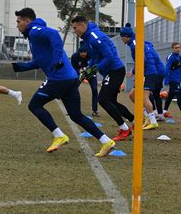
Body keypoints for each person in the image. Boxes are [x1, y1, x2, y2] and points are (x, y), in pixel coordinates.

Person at [13, 8, 115, 157]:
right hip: (70, 79)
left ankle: (59, 135)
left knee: (34, 105)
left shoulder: (34, 30)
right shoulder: (34, 38)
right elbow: (40, 61)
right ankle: (106, 141)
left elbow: (54, 34)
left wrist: (57, 60)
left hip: (59, 79)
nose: (17, 25)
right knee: (76, 115)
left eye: (18, 21)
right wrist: (21, 67)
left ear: (28, 21)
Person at [71, 15, 134, 141]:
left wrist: (95, 69)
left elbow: (109, 57)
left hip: (115, 71)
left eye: (75, 27)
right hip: (111, 71)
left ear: (82, 25)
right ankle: (134, 121)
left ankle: (125, 128)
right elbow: (95, 56)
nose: (74, 30)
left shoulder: (95, 37)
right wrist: (88, 69)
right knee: (112, 101)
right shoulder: (88, 38)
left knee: (103, 99)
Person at [120, 23, 159, 130]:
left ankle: (153, 121)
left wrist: (134, 71)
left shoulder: (134, 44)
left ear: (125, 36)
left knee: (143, 97)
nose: (121, 40)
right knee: (132, 95)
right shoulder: (135, 42)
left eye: (121, 37)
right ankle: (146, 116)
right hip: (146, 72)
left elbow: (142, 60)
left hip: (149, 73)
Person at [70, 45, 99, 116]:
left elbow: (96, 65)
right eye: (81, 52)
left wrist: (90, 70)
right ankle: (73, 109)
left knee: (95, 89)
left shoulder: (91, 55)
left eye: (85, 52)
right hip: (81, 74)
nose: (83, 54)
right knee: (74, 89)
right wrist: (79, 70)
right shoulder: (74, 57)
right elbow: (73, 67)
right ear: (78, 52)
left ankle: (94, 110)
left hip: (91, 73)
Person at [149, 43, 166, 121]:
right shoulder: (153, 51)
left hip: (155, 73)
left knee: (149, 93)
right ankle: (160, 114)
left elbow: (148, 64)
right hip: (160, 73)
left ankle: (153, 113)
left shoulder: (148, 51)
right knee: (156, 94)